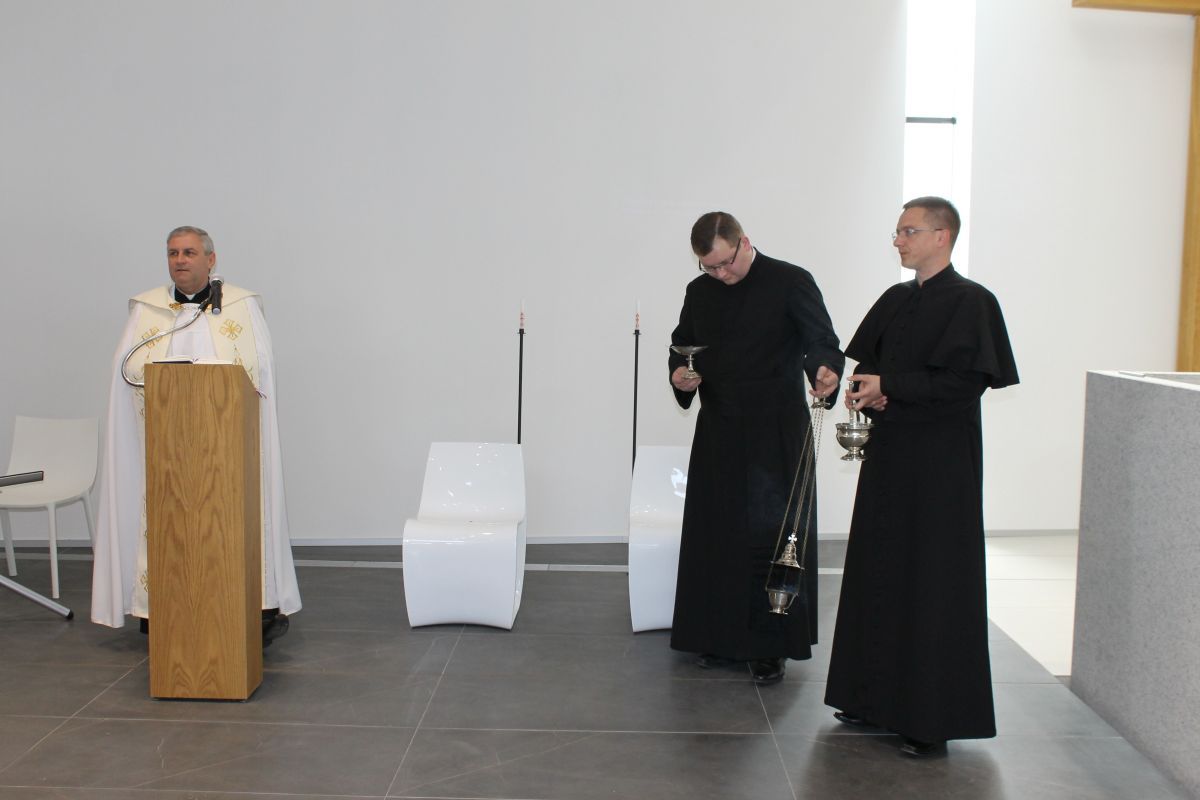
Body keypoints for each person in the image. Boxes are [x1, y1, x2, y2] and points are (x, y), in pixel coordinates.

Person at [824, 197, 1019, 757]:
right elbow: (869, 364)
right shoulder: (895, 298)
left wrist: (891, 387)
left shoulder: (973, 302)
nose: (898, 240)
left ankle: (929, 719)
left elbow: (965, 383)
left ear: (942, 236)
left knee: (932, 581)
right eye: (897, 231)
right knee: (878, 570)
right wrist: (864, 389)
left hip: (940, 466)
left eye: (909, 231)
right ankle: (868, 698)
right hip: (889, 456)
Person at [91, 226, 300, 644]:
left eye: (188, 252)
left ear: (210, 259)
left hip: (229, 448)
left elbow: (260, 370)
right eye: (173, 253)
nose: (180, 260)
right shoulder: (148, 310)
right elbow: (125, 371)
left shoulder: (240, 306)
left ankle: (248, 607)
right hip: (165, 449)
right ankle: (162, 609)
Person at [668, 211, 843, 685]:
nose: (720, 274)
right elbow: (682, 346)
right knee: (718, 537)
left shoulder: (790, 280)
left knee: (774, 537)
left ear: (744, 242)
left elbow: (821, 340)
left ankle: (772, 646)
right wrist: (679, 375)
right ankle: (720, 637)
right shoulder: (699, 292)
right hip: (720, 429)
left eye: (726, 263)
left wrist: (824, 369)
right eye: (709, 267)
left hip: (776, 430)